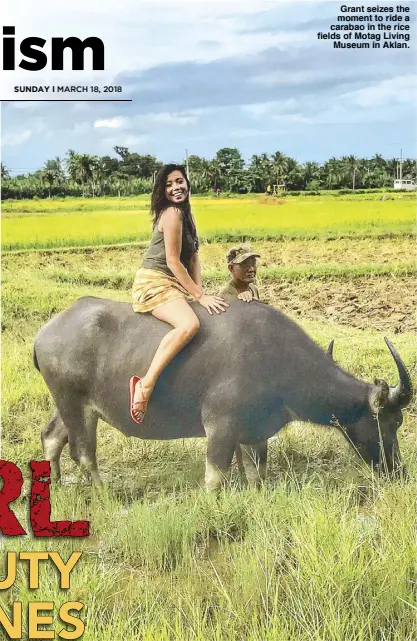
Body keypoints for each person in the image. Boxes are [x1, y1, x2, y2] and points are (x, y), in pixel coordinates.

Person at [130, 164, 228, 423]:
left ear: (187, 183)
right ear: (163, 191)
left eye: (180, 181)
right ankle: (146, 384)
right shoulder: (172, 213)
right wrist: (198, 297)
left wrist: (200, 291)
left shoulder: (187, 215)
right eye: (169, 184)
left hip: (174, 283)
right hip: (155, 281)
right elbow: (173, 262)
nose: (176, 188)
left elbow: (193, 258)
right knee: (189, 324)